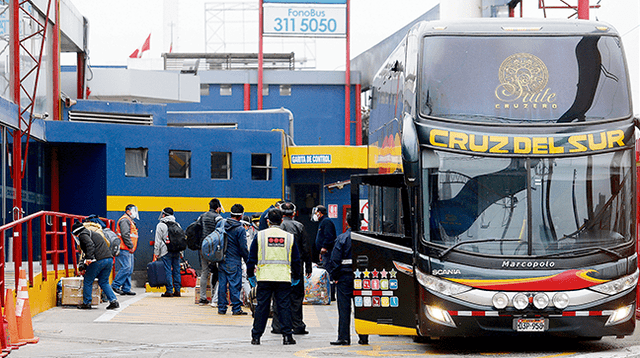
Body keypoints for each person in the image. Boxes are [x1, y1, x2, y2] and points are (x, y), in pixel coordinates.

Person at [247, 208, 301, 345]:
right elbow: (296, 259)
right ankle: (287, 337)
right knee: (284, 307)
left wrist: (250, 276)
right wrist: (296, 276)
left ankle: (256, 337)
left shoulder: (260, 236)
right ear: (281, 220)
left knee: (262, 307)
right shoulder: (289, 237)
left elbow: (251, 258)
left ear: (267, 221)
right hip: (283, 278)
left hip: (264, 277)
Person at [325, 211, 368, 346]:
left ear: (346, 222)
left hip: (344, 278)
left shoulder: (342, 238)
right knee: (361, 307)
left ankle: (344, 338)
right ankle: (363, 337)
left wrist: (335, 277)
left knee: (344, 309)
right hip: (361, 278)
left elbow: (335, 260)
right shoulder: (366, 239)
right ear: (361, 223)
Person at [271, 202, 312, 335]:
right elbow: (306, 249)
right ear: (294, 213)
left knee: (278, 297)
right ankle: (297, 325)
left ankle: (277, 326)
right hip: (296, 267)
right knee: (296, 297)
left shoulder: (276, 228)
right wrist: (309, 267)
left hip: (278, 268)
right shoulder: (299, 226)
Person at [72, 221, 120, 310]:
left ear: (76, 232)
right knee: (104, 281)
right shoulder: (94, 234)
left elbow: (90, 246)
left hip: (98, 260)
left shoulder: (83, 235)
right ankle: (113, 301)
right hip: (109, 259)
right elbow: (87, 252)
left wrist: (89, 259)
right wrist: (84, 264)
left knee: (88, 280)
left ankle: (87, 303)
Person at [217, 203, 249, 315]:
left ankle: (221, 308)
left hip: (221, 259)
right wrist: (248, 260)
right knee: (235, 285)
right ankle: (236, 309)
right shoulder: (240, 229)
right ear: (241, 216)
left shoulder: (222, 224)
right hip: (234, 261)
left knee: (222, 284)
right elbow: (243, 248)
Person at [197, 198, 223, 305]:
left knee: (204, 272)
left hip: (203, 247)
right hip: (215, 248)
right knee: (216, 271)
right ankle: (214, 297)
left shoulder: (202, 216)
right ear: (217, 208)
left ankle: (203, 298)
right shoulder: (218, 217)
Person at [154, 207, 183, 297]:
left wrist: (156, 253)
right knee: (177, 270)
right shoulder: (177, 224)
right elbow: (181, 239)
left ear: (164, 215)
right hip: (177, 251)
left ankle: (169, 291)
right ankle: (177, 290)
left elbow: (158, 240)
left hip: (165, 251)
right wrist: (181, 252)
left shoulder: (161, 225)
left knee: (168, 271)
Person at [112, 204, 139, 296]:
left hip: (128, 249)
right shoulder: (124, 220)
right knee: (126, 267)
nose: (135, 213)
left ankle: (126, 288)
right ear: (128, 211)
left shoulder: (129, 220)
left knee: (129, 269)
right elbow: (125, 235)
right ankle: (115, 285)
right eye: (134, 211)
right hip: (124, 248)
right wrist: (130, 246)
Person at [313, 205, 337, 299]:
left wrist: (325, 247)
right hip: (324, 253)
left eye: (316, 213)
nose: (315, 215)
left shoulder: (326, 222)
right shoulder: (323, 222)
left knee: (328, 272)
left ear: (320, 212)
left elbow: (329, 236)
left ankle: (331, 294)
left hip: (328, 252)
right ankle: (329, 293)